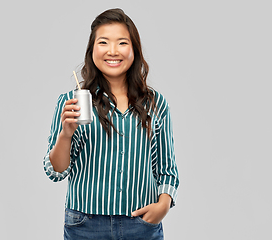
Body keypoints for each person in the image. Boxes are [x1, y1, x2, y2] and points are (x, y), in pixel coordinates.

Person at [43, 8, 179, 240]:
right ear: (92, 50)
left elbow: (166, 169)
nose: (113, 51)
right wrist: (66, 135)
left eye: (122, 43)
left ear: (134, 49)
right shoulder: (71, 102)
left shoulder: (155, 104)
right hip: (85, 224)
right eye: (104, 42)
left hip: (141, 224)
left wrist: (163, 205)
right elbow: (56, 171)